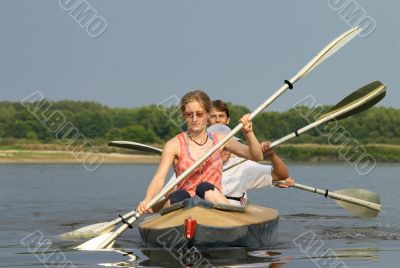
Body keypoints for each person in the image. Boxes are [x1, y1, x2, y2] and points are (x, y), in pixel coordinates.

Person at [137, 91, 264, 214]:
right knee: (180, 195)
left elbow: (257, 156)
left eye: (199, 114)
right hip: (182, 204)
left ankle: (228, 216)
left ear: (208, 115)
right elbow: (159, 178)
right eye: (189, 114)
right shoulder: (173, 145)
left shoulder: (221, 139)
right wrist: (148, 199)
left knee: (204, 187)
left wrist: (249, 133)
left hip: (213, 202)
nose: (194, 119)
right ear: (183, 115)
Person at [208, 100, 295, 206]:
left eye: (221, 116)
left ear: (228, 120)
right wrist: (218, 161)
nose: (217, 120)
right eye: (213, 116)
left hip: (231, 209)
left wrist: (271, 155)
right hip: (202, 205)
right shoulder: (196, 159)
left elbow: (281, 174)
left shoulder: (242, 164)